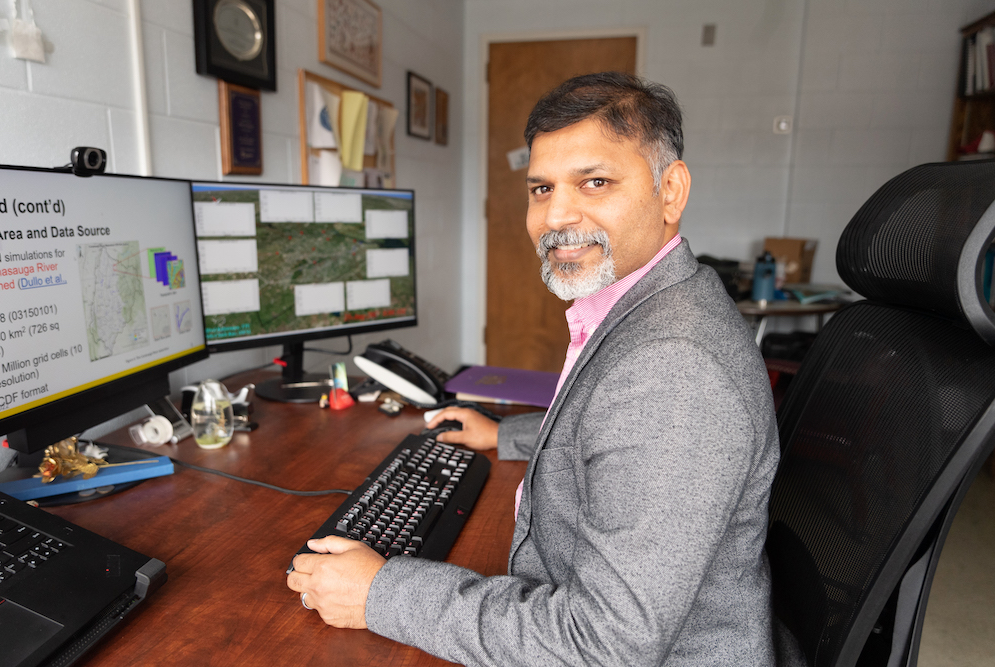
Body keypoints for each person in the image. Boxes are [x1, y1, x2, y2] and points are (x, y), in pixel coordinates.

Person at [287, 72, 780, 666]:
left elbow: (603, 647)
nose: (555, 216)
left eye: (595, 182)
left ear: (670, 191)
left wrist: (381, 593)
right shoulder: (647, 306)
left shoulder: (675, 369)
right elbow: (611, 434)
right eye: (541, 189)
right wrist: (506, 435)